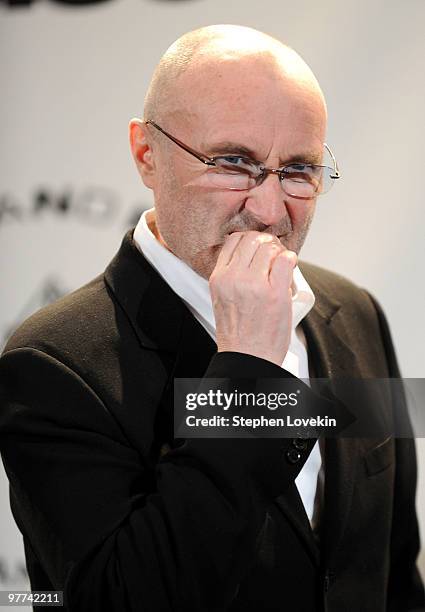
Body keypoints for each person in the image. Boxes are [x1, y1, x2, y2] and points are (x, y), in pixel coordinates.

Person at [0, 24, 423, 612]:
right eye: (232, 162)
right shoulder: (52, 365)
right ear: (147, 154)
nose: (270, 211)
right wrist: (245, 371)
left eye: (298, 170)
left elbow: (395, 569)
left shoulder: (354, 313)